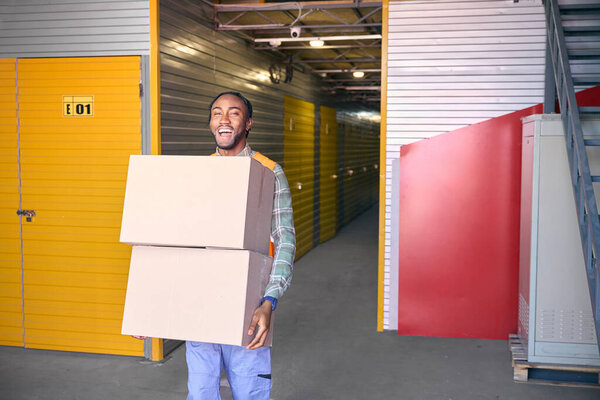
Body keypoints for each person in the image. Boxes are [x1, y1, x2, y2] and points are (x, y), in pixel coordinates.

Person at [188, 91, 296, 400]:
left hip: (249, 305)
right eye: (216, 112)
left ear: (248, 123)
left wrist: (269, 301)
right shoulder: (198, 174)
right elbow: (176, 243)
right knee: (200, 393)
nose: (223, 119)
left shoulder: (268, 172)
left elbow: (285, 240)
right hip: (202, 303)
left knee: (250, 391)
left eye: (233, 113)